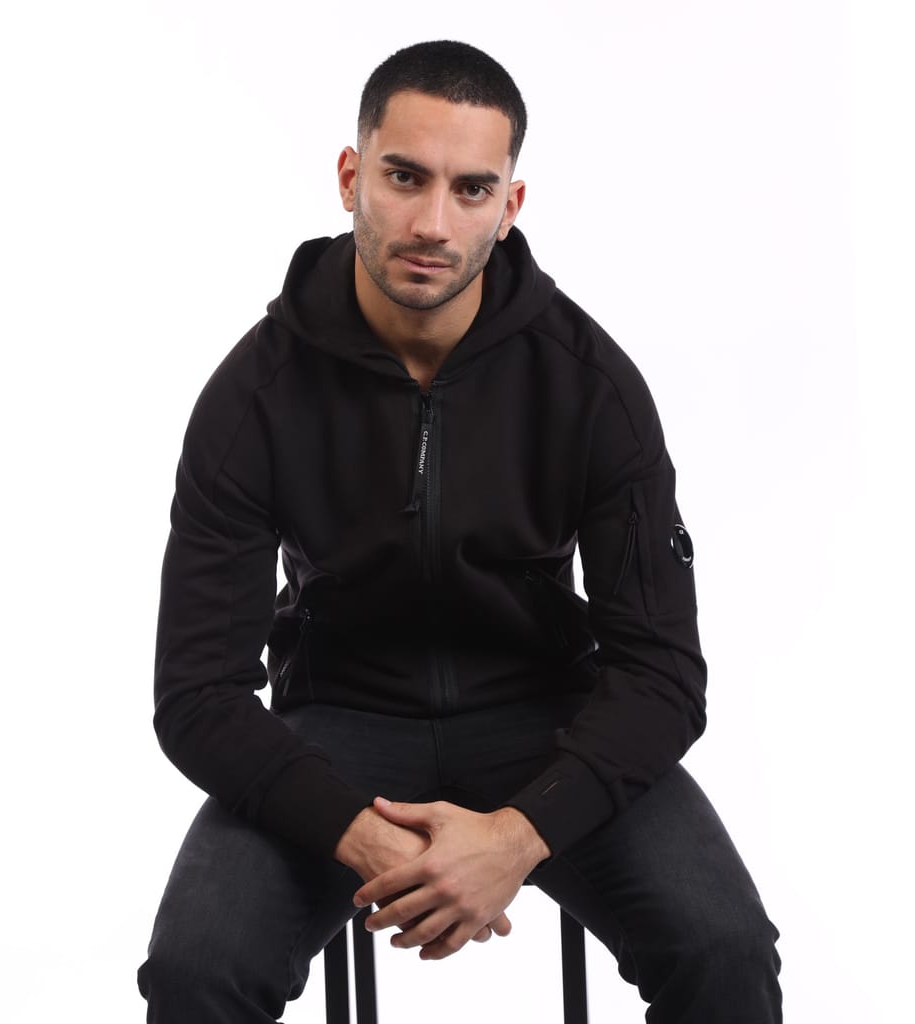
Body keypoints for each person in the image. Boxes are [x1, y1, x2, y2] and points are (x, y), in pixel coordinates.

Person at [137, 40, 782, 1023]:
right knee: (197, 971)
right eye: (404, 177)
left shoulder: (589, 385)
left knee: (725, 952)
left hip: (547, 722)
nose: (433, 223)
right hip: (337, 725)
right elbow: (194, 693)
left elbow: (661, 673)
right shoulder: (254, 396)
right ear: (350, 177)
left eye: (471, 189)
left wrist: (518, 836)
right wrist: (358, 835)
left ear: (509, 205)